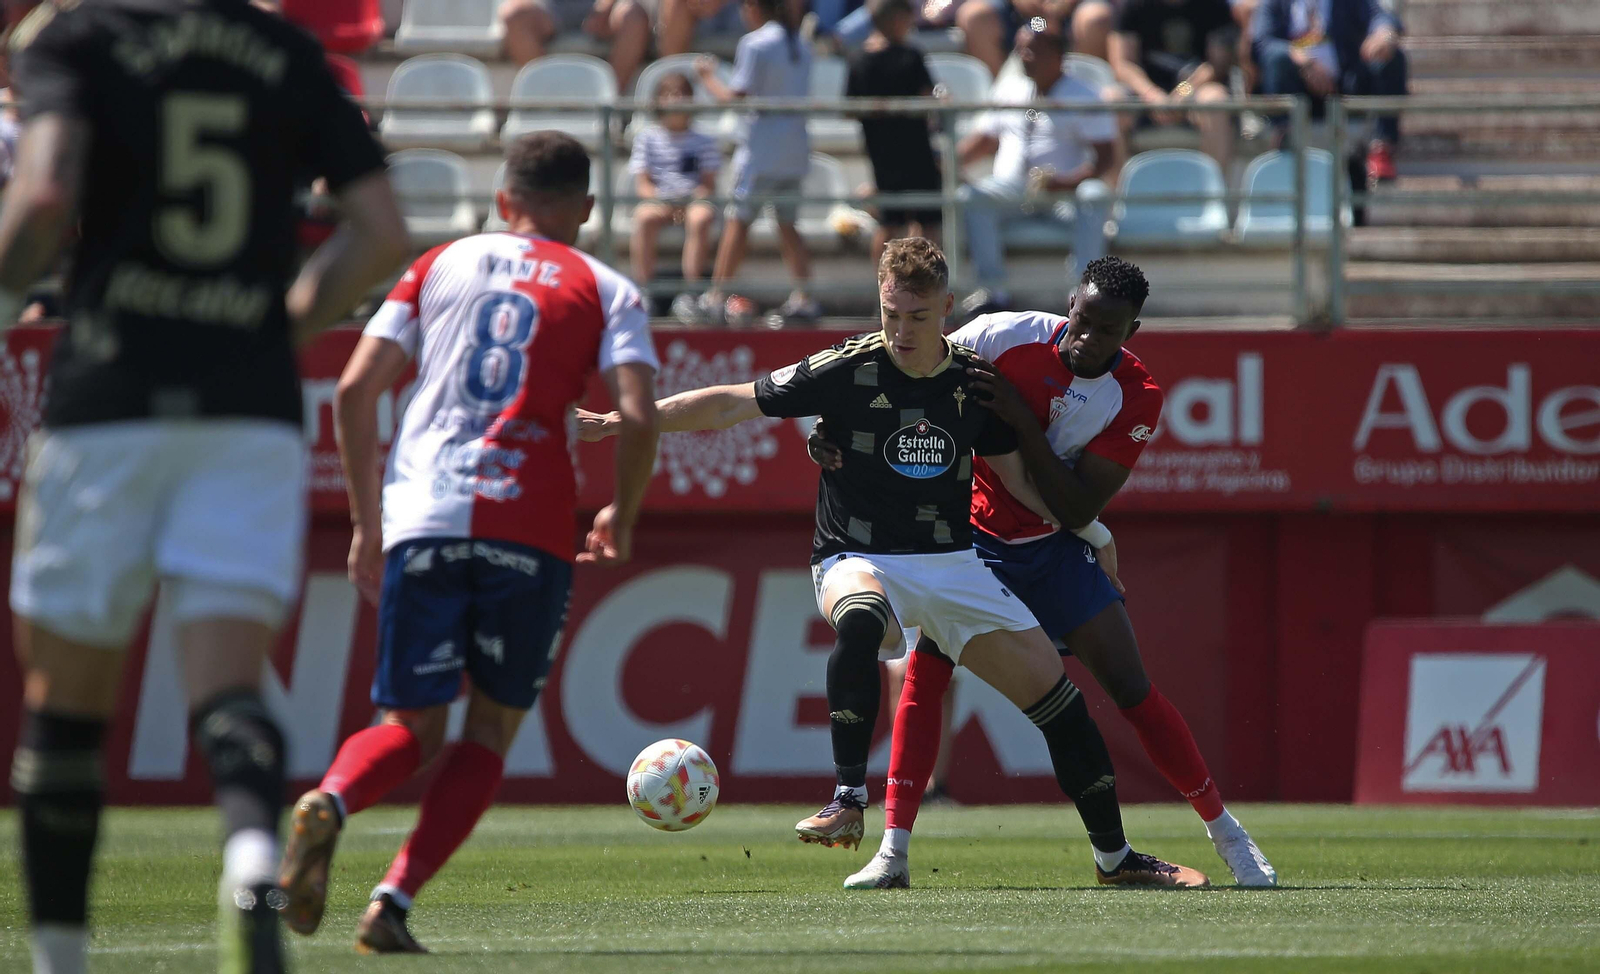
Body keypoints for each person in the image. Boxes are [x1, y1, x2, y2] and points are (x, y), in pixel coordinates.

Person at [581, 238, 1208, 890]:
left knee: (1061, 703)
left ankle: (1115, 859)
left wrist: (1092, 530)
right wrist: (613, 423)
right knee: (862, 618)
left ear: (944, 310)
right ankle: (848, 800)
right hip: (857, 554)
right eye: (890, 314)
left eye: (917, 317)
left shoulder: (970, 380)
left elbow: (1018, 478)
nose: (902, 332)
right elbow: (729, 402)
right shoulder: (848, 367)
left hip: (952, 562)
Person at [1, 1, 409, 971]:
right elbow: (384, 230)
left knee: (65, 705)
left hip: (112, 397)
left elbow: (47, 195)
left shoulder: (77, 37)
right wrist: (278, 328)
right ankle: (250, 861)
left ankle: (61, 957)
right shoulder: (284, 52)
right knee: (227, 685)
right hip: (248, 409)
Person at [276, 132, 660, 954]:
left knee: (411, 724)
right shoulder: (606, 286)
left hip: (426, 513)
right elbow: (639, 412)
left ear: (501, 200)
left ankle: (332, 800)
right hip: (530, 525)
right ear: (586, 211)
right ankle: (391, 903)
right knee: (486, 731)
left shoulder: (436, 264)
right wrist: (620, 516)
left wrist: (367, 522)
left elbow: (352, 390)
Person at [808, 256, 1278, 889]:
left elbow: (1078, 505)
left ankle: (1229, 836)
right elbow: (903, 365)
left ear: (1130, 333)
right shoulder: (1003, 335)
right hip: (969, 546)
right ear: (1069, 304)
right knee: (923, 682)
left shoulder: (1136, 396)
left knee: (1133, 691)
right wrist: (829, 429)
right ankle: (893, 852)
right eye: (1079, 320)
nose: (1083, 338)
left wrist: (1019, 420)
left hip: (1057, 548)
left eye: (1104, 331)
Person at [958, 22, 1116, 318]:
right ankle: (993, 293)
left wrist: (1066, 182)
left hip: (1063, 196)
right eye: (1021, 49)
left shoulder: (1084, 95)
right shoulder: (1009, 89)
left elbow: (1105, 159)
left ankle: (1084, 296)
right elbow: (984, 140)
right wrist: (947, 164)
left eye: (1033, 50)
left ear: (1057, 55)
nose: (1024, 56)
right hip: (1013, 190)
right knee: (972, 196)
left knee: (1095, 195)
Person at [691, 0, 821, 327]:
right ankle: (804, 296)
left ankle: (716, 297)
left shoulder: (754, 43)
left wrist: (707, 77)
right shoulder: (800, 44)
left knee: (739, 221)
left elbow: (735, 97)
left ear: (755, 7)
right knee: (787, 223)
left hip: (761, 150)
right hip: (793, 147)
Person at [1252, 0, 1406, 183]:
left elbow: (1381, 16)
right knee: (1277, 60)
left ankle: (1382, 149)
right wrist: (1301, 59)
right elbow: (1261, 42)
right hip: (1299, 91)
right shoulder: (1276, 4)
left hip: (1346, 87)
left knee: (1392, 56)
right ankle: (1285, 140)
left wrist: (1384, 34)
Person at [847, 0, 942, 265]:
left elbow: (848, 108)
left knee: (889, 224)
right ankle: (927, 287)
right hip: (917, 154)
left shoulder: (858, 60)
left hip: (882, 156)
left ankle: (883, 293)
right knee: (927, 225)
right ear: (894, 19)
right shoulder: (910, 56)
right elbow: (929, 99)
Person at [627, 72, 722, 320]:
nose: (676, 99)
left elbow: (708, 184)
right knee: (644, 217)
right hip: (659, 201)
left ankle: (691, 294)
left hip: (693, 201)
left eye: (681, 93)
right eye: (669, 94)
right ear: (658, 101)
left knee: (701, 218)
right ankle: (644, 291)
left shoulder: (705, 140)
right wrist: (661, 200)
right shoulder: (647, 138)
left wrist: (689, 200)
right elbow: (643, 183)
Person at [1108, 0, 1238, 172]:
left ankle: (1215, 192)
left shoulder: (1215, 6)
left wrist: (1182, 93)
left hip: (1195, 91)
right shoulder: (1132, 6)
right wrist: (1152, 95)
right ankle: (1116, 193)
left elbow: (1218, 64)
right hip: (1144, 93)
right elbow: (1122, 64)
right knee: (1111, 100)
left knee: (1216, 101)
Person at [500, 0, 652, 91]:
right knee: (514, 16)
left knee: (634, 17)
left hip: (606, 5)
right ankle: (552, 95)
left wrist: (605, 6)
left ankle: (607, 101)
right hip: (549, 6)